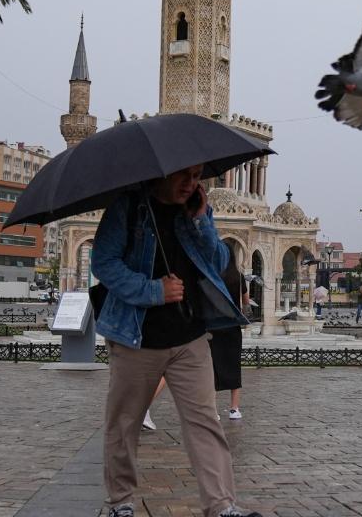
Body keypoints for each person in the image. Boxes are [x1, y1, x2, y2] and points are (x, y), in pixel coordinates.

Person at [90, 164, 259, 517]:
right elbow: (104, 263)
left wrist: (201, 222)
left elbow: (220, 263)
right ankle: (120, 502)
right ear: (162, 172)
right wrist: (154, 290)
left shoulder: (196, 208)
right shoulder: (128, 206)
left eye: (197, 176)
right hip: (137, 338)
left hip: (190, 337)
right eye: (184, 175)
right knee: (124, 424)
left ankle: (221, 506)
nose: (191, 183)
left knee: (205, 422)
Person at [211, 259, 246, 421]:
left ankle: (213, 410)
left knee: (213, 367)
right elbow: (245, 300)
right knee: (234, 365)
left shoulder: (213, 275)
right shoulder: (238, 277)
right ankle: (234, 409)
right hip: (232, 326)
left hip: (215, 325)